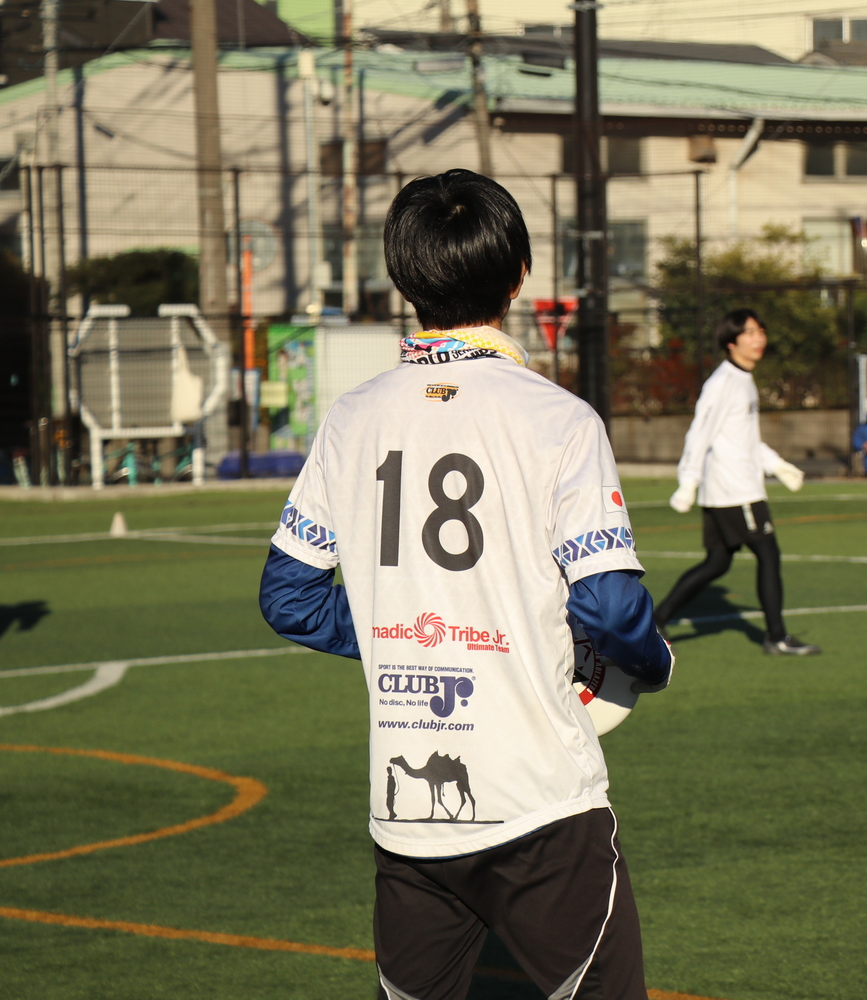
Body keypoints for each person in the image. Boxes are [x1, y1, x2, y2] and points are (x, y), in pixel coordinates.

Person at [258, 168, 673, 1000]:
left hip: (407, 814)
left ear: (402, 277)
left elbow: (289, 597)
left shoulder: (351, 416)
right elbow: (608, 605)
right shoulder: (560, 419)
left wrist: (401, 630)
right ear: (519, 276)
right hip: (541, 802)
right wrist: (652, 660)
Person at [654, 308, 821, 655]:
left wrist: (777, 465)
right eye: (750, 333)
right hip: (736, 490)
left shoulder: (743, 379)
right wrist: (688, 481)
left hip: (733, 488)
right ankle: (776, 637)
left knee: (717, 562)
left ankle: (655, 621)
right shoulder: (724, 383)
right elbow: (700, 433)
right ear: (731, 342)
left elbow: (744, 439)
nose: (759, 339)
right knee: (768, 555)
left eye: (761, 331)